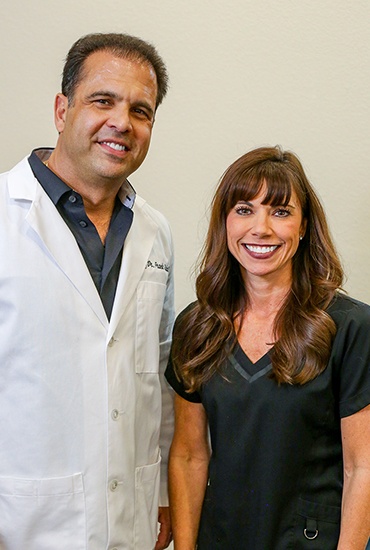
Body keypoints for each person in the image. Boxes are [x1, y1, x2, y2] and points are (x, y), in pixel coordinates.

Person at [0, 33, 174, 550]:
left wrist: (161, 486)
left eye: (140, 110)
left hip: (132, 518)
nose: (122, 122)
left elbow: (157, 372)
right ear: (61, 109)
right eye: (103, 100)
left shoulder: (153, 229)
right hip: (24, 522)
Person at [165, 146, 370, 549]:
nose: (261, 228)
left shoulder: (350, 327)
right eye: (244, 209)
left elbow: (362, 465)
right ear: (224, 223)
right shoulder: (197, 326)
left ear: (304, 226)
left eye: (280, 211)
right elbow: (189, 456)